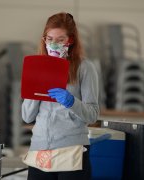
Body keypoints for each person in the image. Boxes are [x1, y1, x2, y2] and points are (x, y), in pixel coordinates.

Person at [22, 12, 99, 180]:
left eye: (60, 40)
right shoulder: (37, 67)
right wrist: (36, 89)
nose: (54, 45)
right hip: (40, 148)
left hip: (71, 149)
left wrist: (71, 101)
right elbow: (27, 117)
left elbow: (93, 114)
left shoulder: (84, 68)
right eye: (49, 39)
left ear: (70, 40)